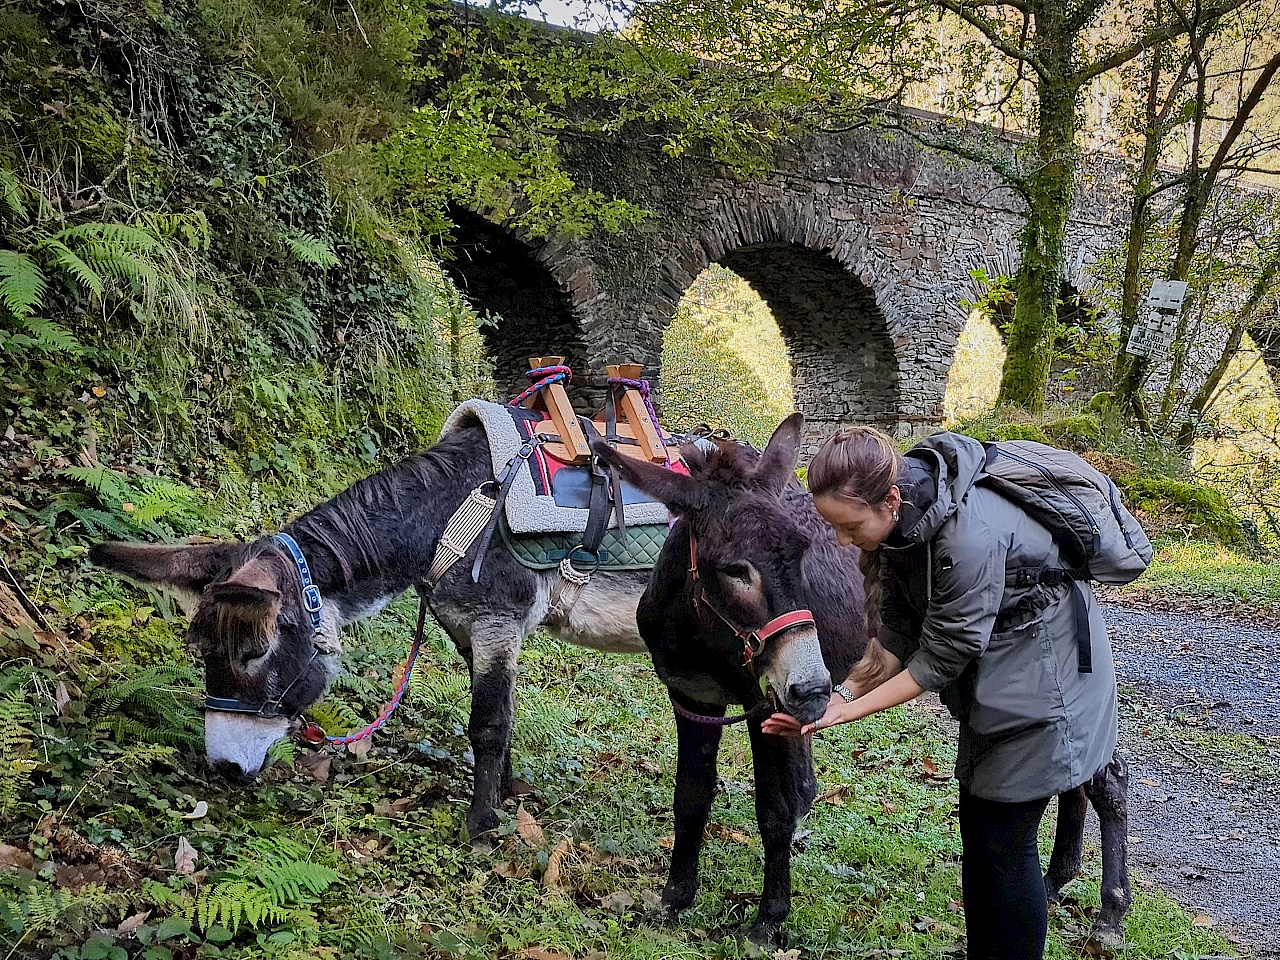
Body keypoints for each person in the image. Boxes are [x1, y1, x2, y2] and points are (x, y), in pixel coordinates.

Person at [762, 425, 1118, 960]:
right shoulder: (902, 529)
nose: (840, 541)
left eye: (849, 526)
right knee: (979, 834)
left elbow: (939, 658)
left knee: (1005, 841)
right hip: (997, 685)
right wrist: (843, 691)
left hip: (1051, 686)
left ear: (890, 500)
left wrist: (843, 715)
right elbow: (899, 633)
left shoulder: (966, 537)